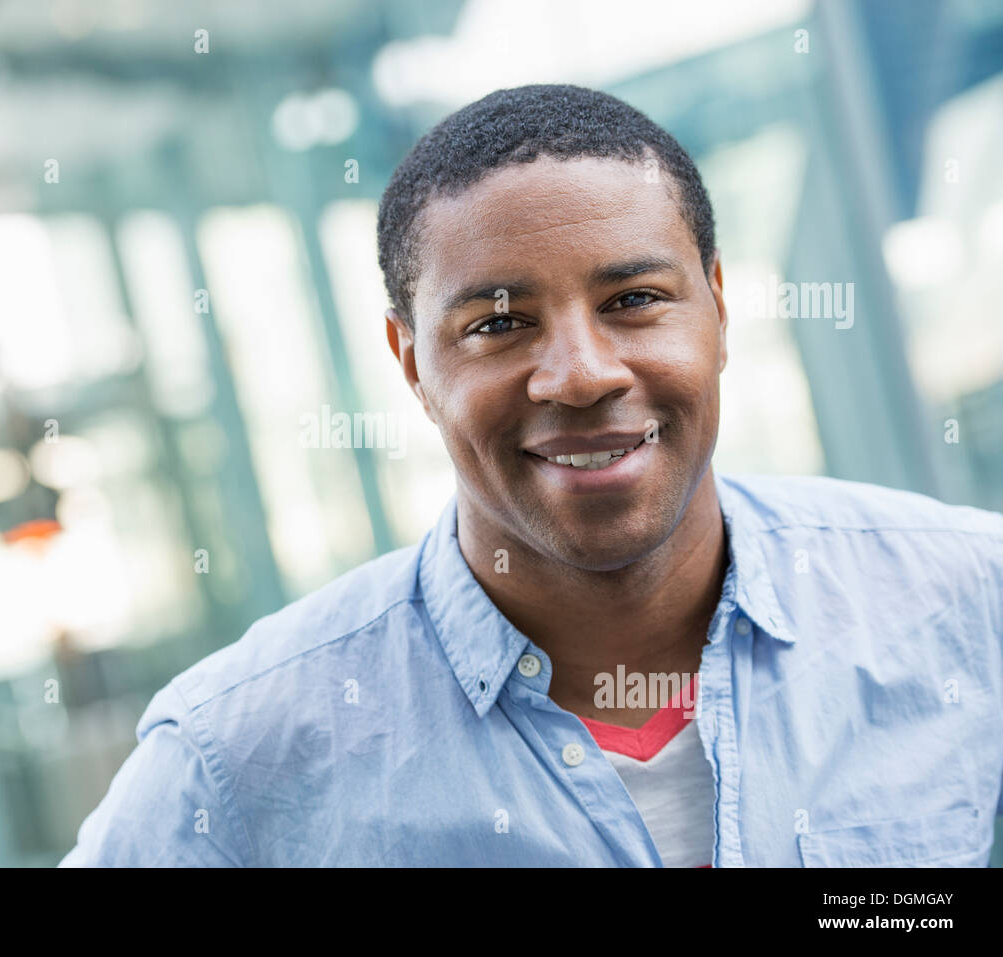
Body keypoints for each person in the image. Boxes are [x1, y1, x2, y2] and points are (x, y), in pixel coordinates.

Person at [61, 84, 1003, 867]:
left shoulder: (967, 601)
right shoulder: (236, 757)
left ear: (717, 304)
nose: (583, 375)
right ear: (412, 365)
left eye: (634, 300)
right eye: (499, 324)